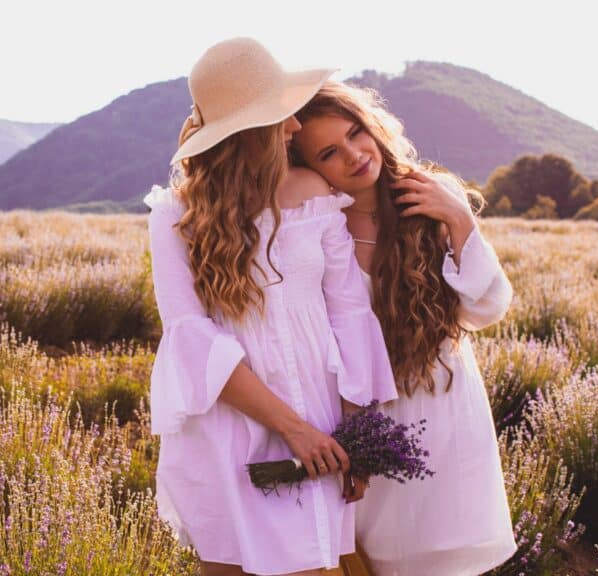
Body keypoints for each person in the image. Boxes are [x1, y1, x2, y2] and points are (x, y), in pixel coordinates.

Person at [145, 38, 397, 576]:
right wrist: (291, 427)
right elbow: (189, 336)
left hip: (323, 424)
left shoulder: (313, 191)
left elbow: (350, 314)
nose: (295, 128)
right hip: (231, 427)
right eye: (279, 116)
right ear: (249, 133)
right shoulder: (174, 215)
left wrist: (356, 436)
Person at [289, 80, 518, 576]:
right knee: (374, 555)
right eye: (330, 152)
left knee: (445, 554)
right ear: (309, 168)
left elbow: (488, 307)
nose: (354, 155)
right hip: (367, 413)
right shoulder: (314, 225)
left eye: (356, 133)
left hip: (443, 405)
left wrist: (458, 217)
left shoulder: (431, 196)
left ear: (374, 126)